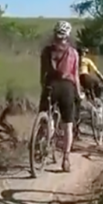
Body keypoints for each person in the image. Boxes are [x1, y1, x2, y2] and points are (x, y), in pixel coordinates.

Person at [39, 20, 82, 172]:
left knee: (45, 114)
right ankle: (66, 159)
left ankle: (43, 139)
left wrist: (43, 86)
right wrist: (79, 93)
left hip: (50, 85)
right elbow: (75, 76)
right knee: (67, 125)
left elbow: (43, 72)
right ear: (68, 35)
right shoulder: (74, 53)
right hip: (67, 88)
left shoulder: (46, 50)